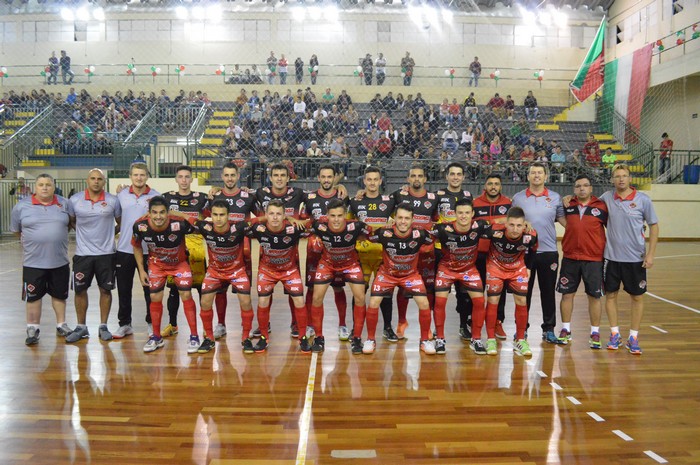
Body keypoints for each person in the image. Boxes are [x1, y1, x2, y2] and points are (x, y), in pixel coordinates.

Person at [600, 164, 659, 354]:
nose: (621, 179)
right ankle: (614, 334)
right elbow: (589, 205)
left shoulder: (643, 200)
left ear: (630, 178)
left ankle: (633, 337)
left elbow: (654, 225)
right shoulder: (606, 198)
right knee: (610, 295)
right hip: (611, 258)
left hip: (635, 259)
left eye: (624, 176)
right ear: (612, 180)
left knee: (637, 297)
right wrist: (569, 198)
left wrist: (651, 254)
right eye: (617, 176)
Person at [132, 197, 201, 354]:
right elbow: (136, 246)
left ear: (168, 213)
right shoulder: (139, 226)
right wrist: (141, 270)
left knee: (186, 294)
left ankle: (194, 336)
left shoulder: (179, 223)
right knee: (155, 297)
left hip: (179, 264)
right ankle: (156, 337)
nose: (158, 216)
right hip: (157, 266)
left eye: (162, 212)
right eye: (154, 213)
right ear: (149, 213)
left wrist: (182, 215)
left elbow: (200, 228)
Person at [11, 174, 72, 345]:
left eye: (48, 184)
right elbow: (16, 231)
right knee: (33, 297)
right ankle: (32, 328)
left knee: (59, 295)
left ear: (54, 186)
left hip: (59, 261)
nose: (44, 188)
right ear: (35, 187)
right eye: (41, 184)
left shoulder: (65, 203)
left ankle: (61, 325)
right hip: (33, 263)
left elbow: (69, 225)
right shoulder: (21, 206)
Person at [365, 205, 436, 354]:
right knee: (373, 302)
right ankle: (370, 340)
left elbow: (433, 240)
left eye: (407, 218)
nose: (403, 221)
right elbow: (366, 236)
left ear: (412, 220)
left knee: (424, 303)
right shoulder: (384, 233)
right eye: (400, 218)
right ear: (394, 219)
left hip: (410, 275)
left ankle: (424, 341)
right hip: (387, 275)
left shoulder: (420, 234)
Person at [512, 162, 566, 344]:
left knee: (548, 292)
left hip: (548, 251)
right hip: (524, 253)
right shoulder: (518, 198)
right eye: (533, 172)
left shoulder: (555, 198)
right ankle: (522, 329)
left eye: (540, 173)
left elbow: (564, 220)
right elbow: (512, 222)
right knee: (523, 292)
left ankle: (549, 329)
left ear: (545, 176)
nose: (536, 175)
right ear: (528, 176)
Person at [65, 169, 122, 343]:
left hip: (107, 254)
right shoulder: (75, 200)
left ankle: (103, 326)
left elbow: (121, 223)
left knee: (105, 290)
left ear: (104, 181)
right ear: (87, 180)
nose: (96, 181)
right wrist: (83, 233)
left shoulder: (113, 200)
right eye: (93, 178)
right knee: (80, 290)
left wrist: (109, 235)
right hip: (83, 254)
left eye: (99, 179)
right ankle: (81, 327)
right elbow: (71, 221)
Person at [308, 199, 371, 354]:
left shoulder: (357, 226)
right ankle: (319, 338)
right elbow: (302, 227)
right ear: (327, 216)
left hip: (350, 264)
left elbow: (374, 233)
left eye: (340, 216)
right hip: (327, 264)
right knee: (316, 298)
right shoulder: (318, 226)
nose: (336, 219)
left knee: (360, 298)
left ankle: (357, 338)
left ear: (345, 215)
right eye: (333, 216)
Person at [247, 200, 310, 353]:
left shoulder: (293, 229)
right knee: (263, 300)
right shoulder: (258, 228)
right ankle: (263, 337)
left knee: (299, 300)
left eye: (278, 214)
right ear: (266, 215)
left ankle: (303, 337)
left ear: (284, 216)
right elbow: (243, 223)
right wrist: (262, 218)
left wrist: (294, 219)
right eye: (271, 214)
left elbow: (315, 222)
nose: (275, 217)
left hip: (289, 271)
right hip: (267, 271)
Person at [193, 200, 254, 353]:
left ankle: (246, 338)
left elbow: (259, 220)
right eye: (215, 215)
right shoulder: (205, 227)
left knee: (246, 301)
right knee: (205, 301)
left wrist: (289, 218)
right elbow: (186, 218)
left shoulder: (239, 227)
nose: (218, 218)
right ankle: (209, 338)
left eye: (222, 215)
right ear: (210, 215)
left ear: (228, 215)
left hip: (237, 271)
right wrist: (169, 212)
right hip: (215, 271)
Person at [555, 175, 607, 348]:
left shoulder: (601, 206)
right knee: (567, 295)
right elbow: (559, 219)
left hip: (593, 259)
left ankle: (595, 332)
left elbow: (614, 228)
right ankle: (565, 329)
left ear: (591, 188)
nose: (582, 188)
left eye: (585, 185)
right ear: (574, 189)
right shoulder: (568, 205)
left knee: (594, 296)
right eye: (578, 186)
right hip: (570, 258)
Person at [432, 199, 490, 355]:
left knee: (480, 302)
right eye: (460, 213)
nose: (463, 216)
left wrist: (526, 224)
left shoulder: (480, 226)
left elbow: (501, 226)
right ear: (454, 214)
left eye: (467, 213)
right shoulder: (443, 229)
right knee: (439, 302)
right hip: (447, 269)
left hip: (468, 270)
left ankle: (476, 339)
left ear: (472, 214)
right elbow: (422, 233)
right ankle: (440, 338)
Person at [206, 162, 256, 339]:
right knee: (220, 290)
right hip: (219, 251)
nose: (229, 178)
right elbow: (204, 218)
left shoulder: (248, 197)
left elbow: (261, 216)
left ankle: (246, 327)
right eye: (226, 175)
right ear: (222, 176)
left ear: (238, 176)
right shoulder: (214, 196)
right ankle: (221, 324)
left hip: (243, 252)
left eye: (232, 175)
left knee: (244, 291)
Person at [349, 167, 397, 341]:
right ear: (364, 181)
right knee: (359, 294)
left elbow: (399, 222)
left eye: (375, 179)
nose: (372, 183)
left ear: (380, 181)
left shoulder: (390, 202)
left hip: (383, 257)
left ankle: (387, 327)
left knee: (385, 293)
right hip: (361, 256)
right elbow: (348, 225)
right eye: (369, 179)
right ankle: (356, 328)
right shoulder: (355, 202)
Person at [392, 164, 439, 338]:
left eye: (420, 176)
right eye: (413, 176)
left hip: (427, 251)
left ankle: (427, 327)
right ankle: (401, 321)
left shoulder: (434, 198)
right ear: (408, 179)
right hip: (405, 251)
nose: (416, 179)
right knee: (403, 287)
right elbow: (381, 205)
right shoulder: (399, 195)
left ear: (425, 179)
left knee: (428, 288)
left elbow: (437, 221)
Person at [483, 207, 538, 356]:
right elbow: (479, 227)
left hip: (517, 267)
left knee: (522, 300)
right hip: (495, 266)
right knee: (493, 299)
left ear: (524, 225)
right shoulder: (495, 230)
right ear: (506, 224)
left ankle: (520, 340)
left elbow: (533, 250)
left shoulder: (531, 235)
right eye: (512, 225)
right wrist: (498, 220)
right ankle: (490, 339)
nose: (515, 229)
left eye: (519, 225)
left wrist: (529, 267)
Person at [114, 163, 160, 339]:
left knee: (150, 290)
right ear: (130, 176)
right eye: (135, 175)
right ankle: (125, 324)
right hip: (124, 249)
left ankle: (151, 323)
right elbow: (119, 219)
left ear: (147, 176)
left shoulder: (156, 195)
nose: (139, 178)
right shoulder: (121, 195)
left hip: (149, 250)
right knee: (124, 289)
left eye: (142, 175)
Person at [303, 165, 350, 340]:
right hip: (315, 251)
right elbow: (304, 222)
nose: (326, 180)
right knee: (312, 288)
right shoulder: (310, 198)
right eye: (323, 176)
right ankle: (310, 324)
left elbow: (349, 220)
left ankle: (342, 324)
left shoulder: (343, 197)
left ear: (335, 178)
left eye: (330, 177)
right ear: (318, 178)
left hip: (337, 250)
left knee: (338, 287)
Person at [162, 166, 208, 339]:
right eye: (180, 176)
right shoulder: (167, 197)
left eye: (187, 177)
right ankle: (173, 324)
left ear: (191, 179)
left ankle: (206, 326)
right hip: (175, 245)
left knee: (201, 288)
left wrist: (216, 189)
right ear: (176, 179)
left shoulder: (201, 198)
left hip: (196, 245)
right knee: (174, 288)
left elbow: (221, 200)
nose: (183, 180)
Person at [468, 175, 512, 340]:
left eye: (496, 184)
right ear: (485, 186)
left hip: (499, 254)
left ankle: (497, 321)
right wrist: (496, 220)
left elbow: (512, 222)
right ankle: (474, 320)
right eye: (490, 184)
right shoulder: (475, 203)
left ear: (501, 186)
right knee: (476, 289)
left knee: (499, 290)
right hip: (478, 252)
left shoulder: (508, 203)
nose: (493, 187)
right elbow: (470, 225)